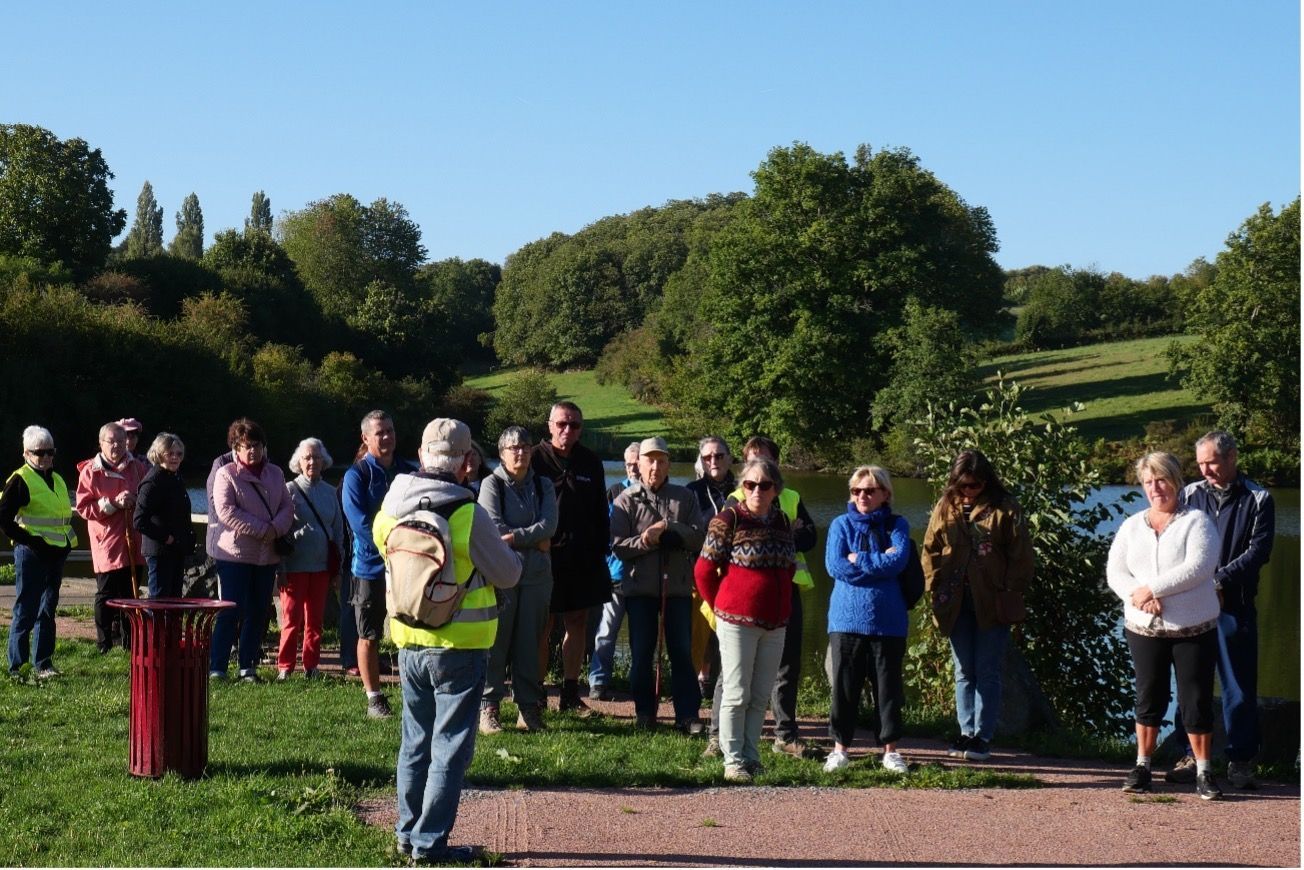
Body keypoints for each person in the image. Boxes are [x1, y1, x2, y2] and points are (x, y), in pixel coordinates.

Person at [374, 418, 522, 864]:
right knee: (449, 748)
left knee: (414, 741)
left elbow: (384, 548)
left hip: (408, 639)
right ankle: (429, 844)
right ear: (464, 463)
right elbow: (508, 574)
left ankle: (406, 833)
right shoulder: (468, 512)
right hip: (461, 645)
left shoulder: (391, 505)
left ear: (421, 455)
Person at [1108, 451, 1223, 800]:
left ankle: (1203, 770)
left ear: (1176, 480)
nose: (1155, 488)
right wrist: (1138, 596)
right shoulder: (1132, 526)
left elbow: (1199, 567)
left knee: (1196, 699)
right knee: (1148, 697)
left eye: (1161, 480)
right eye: (1148, 482)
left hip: (1193, 627)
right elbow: (1115, 571)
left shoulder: (1197, 522)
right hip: (1143, 628)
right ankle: (1142, 766)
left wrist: (1153, 588)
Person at [1164, 431, 1276, 790]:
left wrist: (1218, 582)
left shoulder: (1259, 499)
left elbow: (1258, 552)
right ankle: (1189, 755)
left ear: (1232, 457)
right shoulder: (1189, 496)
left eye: (1211, 462)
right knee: (1191, 682)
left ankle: (1240, 760)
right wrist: (1194, 584)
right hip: (1192, 605)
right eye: (1200, 463)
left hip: (1234, 607)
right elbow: (1174, 545)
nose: (1205, 469)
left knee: (1238, 686)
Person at [921, 449, 1034, 763]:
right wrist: (934, 586)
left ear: (986, 481)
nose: (968, 490)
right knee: (963, 670)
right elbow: (929, 548)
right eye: (962, 485)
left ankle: (983, 736)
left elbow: (1022, 556)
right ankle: (965, 731)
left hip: (993, 601)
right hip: (954, 601)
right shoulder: (946, 506)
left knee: (988, 669)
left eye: (974, 485)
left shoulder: (1006, 508)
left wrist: (1010, 590)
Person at [695, 456, 795, 782]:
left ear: (775, 489)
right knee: (736, 692)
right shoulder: (728, 519)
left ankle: (752, 756)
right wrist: (723, 606)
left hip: (775, 622)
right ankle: (732, 760)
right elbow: (704, 570)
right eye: (750, 484)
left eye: (764, 485)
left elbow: (789, 568)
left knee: (760, 694)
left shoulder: (781, 521)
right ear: (742, 486)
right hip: (736, 621)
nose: (756, 490)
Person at [724, 436, 817, 756]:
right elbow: (718, 554)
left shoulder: (791, 496)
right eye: (751, 461)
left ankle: (786, 734)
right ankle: (718, 737)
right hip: (743, 598)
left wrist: (790, 533)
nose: (758, 475)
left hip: (787, 590)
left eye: (765, 460)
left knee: (787, 664)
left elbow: (810, 537)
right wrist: (787, 532)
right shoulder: (734, 499)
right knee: (734, 670)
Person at [611, 436, 706, 730]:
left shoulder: (685, 498)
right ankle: (644, 713)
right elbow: (617, 546)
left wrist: (669, 528)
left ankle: (687, 715)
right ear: (638, 464)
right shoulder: (625, 500)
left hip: (676, 589)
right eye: (649, 460)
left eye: (661, 460)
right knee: (641, 653)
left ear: (668, 465)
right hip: (640, 590)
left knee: (681, 651)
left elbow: (698, 538)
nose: (655, 466)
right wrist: (647, 540)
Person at [822, 466, 911, 775]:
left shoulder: (898, 524)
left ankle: (891, 751)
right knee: (845, 688)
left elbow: (898, 561)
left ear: (885, 494)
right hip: (846, 620)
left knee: (888, 690)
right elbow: (835, 566)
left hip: (889, 621)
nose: (862, 496)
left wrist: (858, 558)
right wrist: (877, 561)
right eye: (856, 491)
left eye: (870, 490)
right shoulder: (839, 525)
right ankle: (839, 749)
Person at [531, 401, 611, 713]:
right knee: (543, 625)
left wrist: (601, 548)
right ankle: (536, 692)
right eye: (562, 424)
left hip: (583, 557)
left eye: (575, 425)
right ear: (550, 425)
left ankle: (569, 692)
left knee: (576, 622)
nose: (568, 430)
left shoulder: (591, 461)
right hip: (544, 556)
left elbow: (600, 513)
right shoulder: (535, 459)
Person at [477, 426, 558, 733]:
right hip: (502, 575)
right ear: (501, 454)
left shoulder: (543, 485)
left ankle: (528, 709)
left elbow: (549, 525)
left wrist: (518, 536)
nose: (520, 452)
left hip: (537, 576)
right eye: (513, 448)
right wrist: (532, 539)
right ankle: (489, 707)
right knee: (496, 643)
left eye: (525, 447)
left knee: (530, 643)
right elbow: (495, 529)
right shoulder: (491, 484)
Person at [343, 410, 418, 717]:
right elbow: (360, 523)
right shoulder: (356, 475)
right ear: (366, 438)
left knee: (412, 631)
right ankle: (374, 697)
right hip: (370, 567)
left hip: (408, 567)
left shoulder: (408, 472)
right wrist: (394, 545)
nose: (386, 437)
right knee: (369, 634)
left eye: (390, 430)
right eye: (379, 432)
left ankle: (414, 693)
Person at [208, 418, 295, 682]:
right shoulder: (226, 474)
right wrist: (263, 529)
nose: (253, 451)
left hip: (266, 557)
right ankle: (217, 667)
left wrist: (275, 529)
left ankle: (248, 667)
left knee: (258, 611)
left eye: (257, 445)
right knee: (230, 610)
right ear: (236, 448)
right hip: (234, 555)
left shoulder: (276, 474)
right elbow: (225, 511)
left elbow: (287, 507)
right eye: (246, 446)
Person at [1, 426, 77, 677]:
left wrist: (64, 546)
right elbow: (4, 519)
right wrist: (31, 541)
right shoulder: (20, 480)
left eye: (50, 452)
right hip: (32, 554)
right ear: (26, 453)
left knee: (48, 609)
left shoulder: (56, 478)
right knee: (25, 610)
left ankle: (43, 663)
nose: (46, 457)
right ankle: (17, 667)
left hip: (55, 554)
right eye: (39, 452)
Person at [75, 422, 147, 652]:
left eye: (120, 440)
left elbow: (148, 498)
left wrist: (136, 500)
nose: (116, 446)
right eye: (111, 441)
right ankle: (103, 642)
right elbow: (84, 508)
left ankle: (130, 643)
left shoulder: (137, 468)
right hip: (105, 542)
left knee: (131, 593)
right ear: (101, 443)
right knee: (105, 593)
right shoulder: (90, 471)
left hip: (134, 541)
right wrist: (113, 503)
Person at [277, 438, 344, 680]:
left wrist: (339, 565)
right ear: (299, 462)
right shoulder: (288, 490)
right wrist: (281, 567)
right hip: (294, 565)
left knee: (315, 621)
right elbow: (280, 531)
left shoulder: (331, 492)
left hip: (322, 566)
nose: (312, 461)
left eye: (316, 457)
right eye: (307, 457)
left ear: (323, 461)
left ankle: (311, 666)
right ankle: (285, 666)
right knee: (291, 620)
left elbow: (337, 530)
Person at [588, 441, 640, 701]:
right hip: (616, 574)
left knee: (641, 637)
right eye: (629, 464)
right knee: (606, 632)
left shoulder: (656, 495)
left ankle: (639, 683)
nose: (633, 469)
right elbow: (604, 533)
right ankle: (598, 681)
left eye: (637, 463)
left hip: (645, 578)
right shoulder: (615, 492)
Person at [687, 436, 734, 701]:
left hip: (735, 574)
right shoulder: (692, 491)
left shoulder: (745, 488)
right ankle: (692, 689)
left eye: (718, 456)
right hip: (701, 571)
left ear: (729, 458)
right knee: (698, 633)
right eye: (707, 457)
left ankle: (724, 688)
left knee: (730, 637)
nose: (713, 461)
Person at [133, 432, 194, 599]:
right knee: (159, 602)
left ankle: (172, 627)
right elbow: (139, 520)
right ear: (159, 454)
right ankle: (157, 626)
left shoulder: (175, 478)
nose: (175, 457)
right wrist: (167, 538)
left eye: (179, 454)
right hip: (160, 553)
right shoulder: (152, 481)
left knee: (175, 601)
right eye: (170, 453)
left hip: (176, 551)